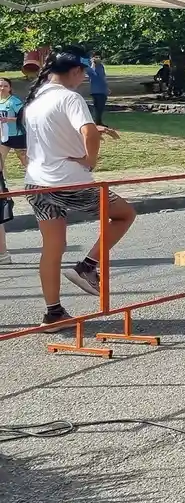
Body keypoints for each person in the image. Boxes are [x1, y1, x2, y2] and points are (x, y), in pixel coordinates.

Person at [20, 48, 136, 326]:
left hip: (36, 182)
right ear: (74, 71)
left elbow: (57, 131)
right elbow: (86, 132)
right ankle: (87, 266)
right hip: (69, 180)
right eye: (83, 73)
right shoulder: (71, 97)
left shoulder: (35, 100)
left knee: (52, 246)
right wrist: (90, 160)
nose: (84, 79)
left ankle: (53, 312)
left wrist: (94, 130)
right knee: (124, 214)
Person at [85, 52, 109, 126]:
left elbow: (103, 77)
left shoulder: (101, 66)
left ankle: (99, 122)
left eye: (99, 57)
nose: (97, 59)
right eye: (95, 57)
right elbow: (91, 73)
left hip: (103, 90)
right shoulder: (90, 67)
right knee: (97, 107)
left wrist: (107, 87)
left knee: (101, 108)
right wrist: (93, 64)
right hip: (95, 90)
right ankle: (96, 122)